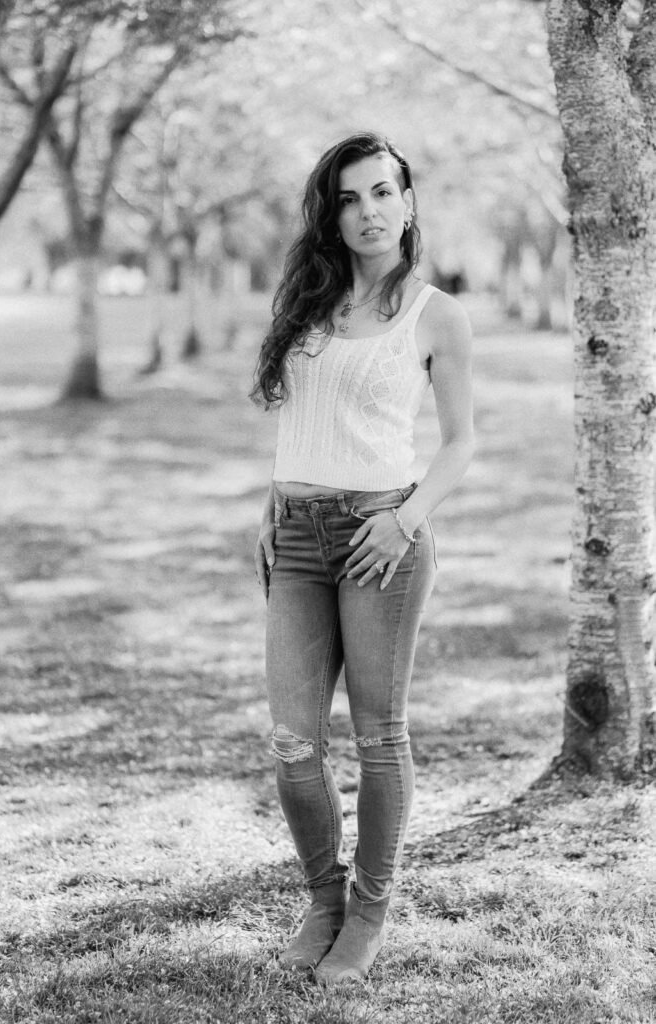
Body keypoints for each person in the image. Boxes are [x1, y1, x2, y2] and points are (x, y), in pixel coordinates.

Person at [251, 131, 474, 983]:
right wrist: (271, 503)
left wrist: (405, 519)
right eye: (347, 198)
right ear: (330, 213)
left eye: (382, 192)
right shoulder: (307, 299)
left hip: (381, 537)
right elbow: (300, 417)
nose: (367, 212)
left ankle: (369, 911)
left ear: (407, 203)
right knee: (292, 741)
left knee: (378, 737)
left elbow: (459, 443)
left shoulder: (434, 314)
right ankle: (324, 900)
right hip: (296, 537)